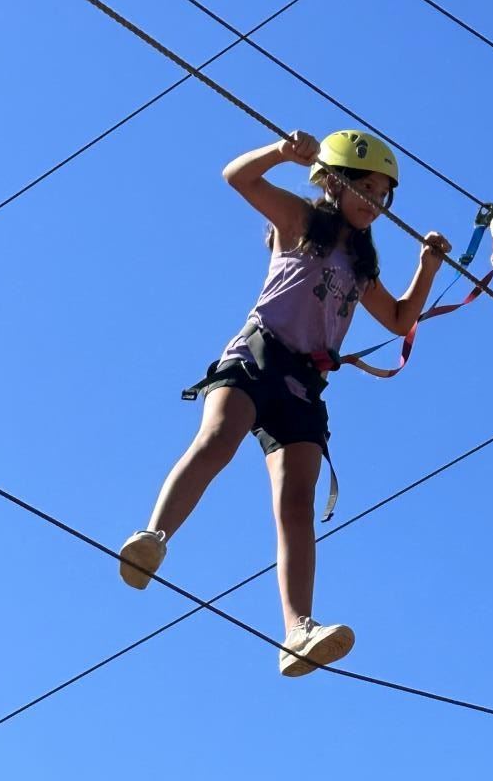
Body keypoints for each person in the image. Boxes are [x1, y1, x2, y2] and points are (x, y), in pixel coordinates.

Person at [118, 128, 450, 677]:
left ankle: (297, 629)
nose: (374, 202)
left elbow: (397, 320)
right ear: (333, 182)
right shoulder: (299, 222)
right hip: (257, 359)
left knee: (297, 504)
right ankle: (154, 537)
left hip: (302, 385)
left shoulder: (363, 262)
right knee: (217, 440)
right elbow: (237, 176)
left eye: (382, 194)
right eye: (364, 187)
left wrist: (428, 269)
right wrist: (280, 152)